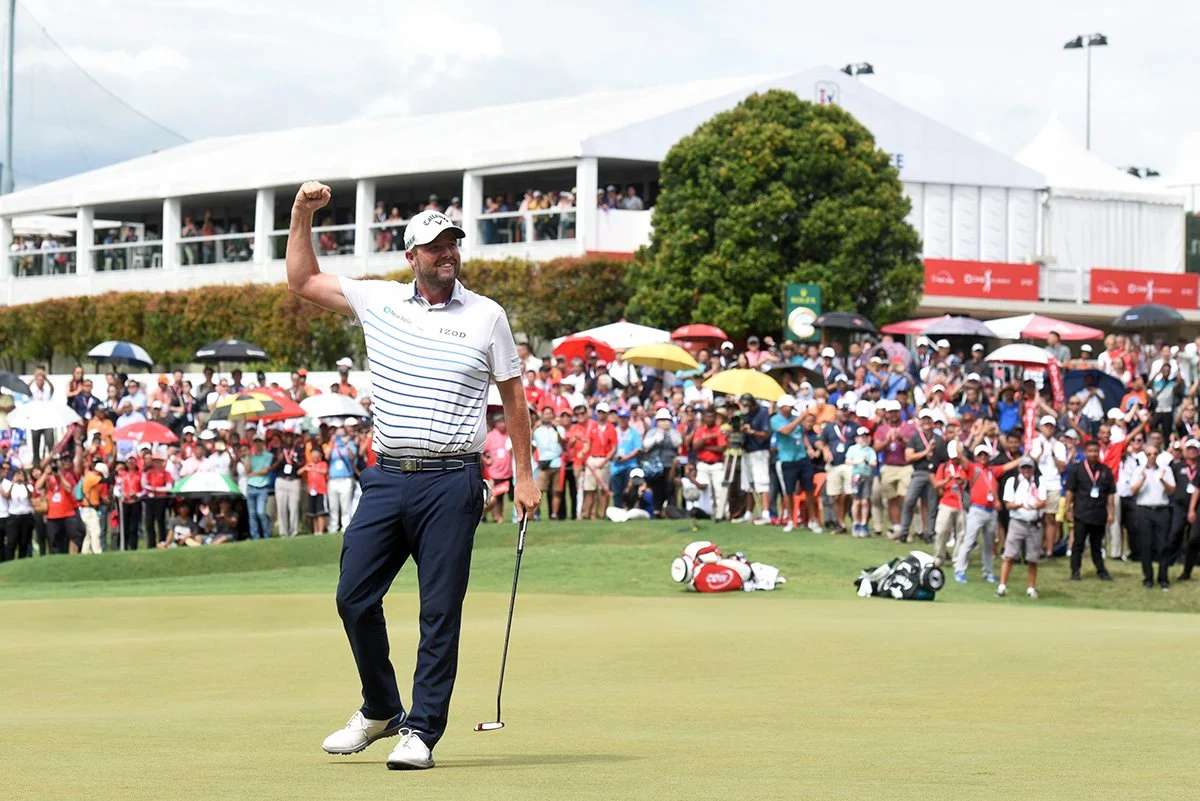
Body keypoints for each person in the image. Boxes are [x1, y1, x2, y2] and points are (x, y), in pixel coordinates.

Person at [287, 182, 537, 771]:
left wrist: (525, 475)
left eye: (452, 244)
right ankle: (381, 707)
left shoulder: (487, 316)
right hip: (388, 477)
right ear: (412, 256)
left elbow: (514, 398)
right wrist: (300, 214)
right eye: (434, 247)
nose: (447, 254)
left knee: (439, 610)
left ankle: (422, 730)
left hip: (452, 480)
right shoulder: (380, 301)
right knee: (353, 597)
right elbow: (302, 279)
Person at [1063, 440, 1116, 581]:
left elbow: (1110, 493)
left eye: (1095, 451)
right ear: (1085, 452)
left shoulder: (1105, 470)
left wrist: (1111, 512)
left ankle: (1101, 570)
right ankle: (1075, 571)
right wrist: (1068, 509)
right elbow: (1070, 490)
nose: (1093, 454)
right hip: (1082, 512)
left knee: (1097, 545)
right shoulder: (1077, 469)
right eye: (1090, 451)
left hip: (1099, 513)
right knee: (1078, 544)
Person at [953, 444, 1002, 584]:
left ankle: (988, 573)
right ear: (976, 456)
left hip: (991, 511)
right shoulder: (973, 468)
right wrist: (958, 441)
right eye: (980, 455)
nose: (983, 457)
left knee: (989, 545)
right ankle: (959, 570)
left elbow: (1008, 466)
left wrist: (1026, 455)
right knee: (969, 541)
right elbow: (961, 456)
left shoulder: (992, 470)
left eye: (985, 454)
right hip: (977, 510)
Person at [1130, 443, 1175, 591]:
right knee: (1146, 544)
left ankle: (1163, 578)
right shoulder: (1139, 470)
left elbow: (1172, 490)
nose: (1152, 456)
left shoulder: (1165, 470)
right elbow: (1133, 490)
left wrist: (1162, 480)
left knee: (1163, 545)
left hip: (1162, 509)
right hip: (1144, 510)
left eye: (1155, 453)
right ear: (1145, 455)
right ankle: (1148, 578)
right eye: (1149, 454)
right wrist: (1143, 479)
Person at [998, 457, 1044, 599]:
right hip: (1017, 522)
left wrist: (1035, 505)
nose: (1026, 470)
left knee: (1032, 558)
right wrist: (1022, 505)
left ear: (1033, 468)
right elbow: (1008, 504)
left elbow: (1043, 501)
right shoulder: (1013, 481)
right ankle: (1002, 587)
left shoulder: (1039, 481)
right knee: (1009, 555)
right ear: (1019, 469)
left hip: (1034, 523)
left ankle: (1031, 588)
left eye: (1029, 467)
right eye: (1024, 467)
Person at [770, 395, 813, 534]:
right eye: (789, 405)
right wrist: (801, 418)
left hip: (802, 457)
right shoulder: (775, 419)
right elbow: (786, 431)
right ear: (782, 407)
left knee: (809, 489)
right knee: (788, 491)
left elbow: (802, 434)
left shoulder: (795, 417)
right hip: (787, 459)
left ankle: (812, 520)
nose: (792, 407)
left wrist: (809, 447)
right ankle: (790, 520)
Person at [899, 409, 941, 543]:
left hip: (934, 474)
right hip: (919, 472)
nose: (926, 422)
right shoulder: (915, 438)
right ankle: (904, 532)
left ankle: (929, 533)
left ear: (933, 421)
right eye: (924, 419)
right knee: (909, 501)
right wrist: (925, 452)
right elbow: (908, 457)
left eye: (929, 419)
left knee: (932, 505)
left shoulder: (939, 439)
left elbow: (944, 459)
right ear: (920, 421)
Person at [737, 393, 772, 524]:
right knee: (748, 484)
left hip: (759, 451)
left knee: (762, 482)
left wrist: (752, 432)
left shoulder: (762, 412)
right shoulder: (745, 415)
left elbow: (767, 434)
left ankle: (765, 513)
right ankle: (749, 513)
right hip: (747, 450)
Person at [932, 439, 967, 567]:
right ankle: (938, 557)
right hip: (946, 503)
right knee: (941, 531)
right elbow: (936, 485)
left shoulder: (965, 466)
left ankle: (957, 560)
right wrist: (947, 480)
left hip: (961, 503)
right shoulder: (944, 466)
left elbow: (971, 482)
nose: (955, 459)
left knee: (961, 534)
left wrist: (962, 482)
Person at [531, 406, 566, 519]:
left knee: (556, 491)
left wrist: (556, 429)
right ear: (542, 415)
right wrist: (535, 426)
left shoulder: (559, 428)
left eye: (550, 413)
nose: (548, 416)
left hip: (556, 462)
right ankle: (535, 513)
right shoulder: (538, 430)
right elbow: (531, 442)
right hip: (543, 463)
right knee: (540, 490)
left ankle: (554, 514)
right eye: (545, 414)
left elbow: (563, 442)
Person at [845, 426, 877, 538]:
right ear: (856, 438)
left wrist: (866, 461)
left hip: (866, 476)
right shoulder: (853, 449)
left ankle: (864, 524)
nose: (863, 439)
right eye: (860, 437)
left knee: (865, 501)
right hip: (856, 477)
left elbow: (874, 463)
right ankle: (856, 524)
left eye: (865, 437)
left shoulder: (870, 450)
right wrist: (858, 461)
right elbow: (847, 461)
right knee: (856, 501)